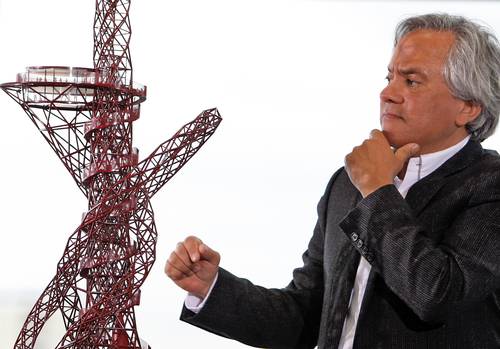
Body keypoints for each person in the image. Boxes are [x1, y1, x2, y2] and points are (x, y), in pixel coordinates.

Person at [165, 13, 500, 348]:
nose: (387, 93)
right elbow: (306, 316)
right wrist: (211, 288)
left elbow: (437, 295)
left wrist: (377, 191)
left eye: (411, 81)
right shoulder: (347, 183)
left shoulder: (489, 184)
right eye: (390, 77)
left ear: (468, 106)